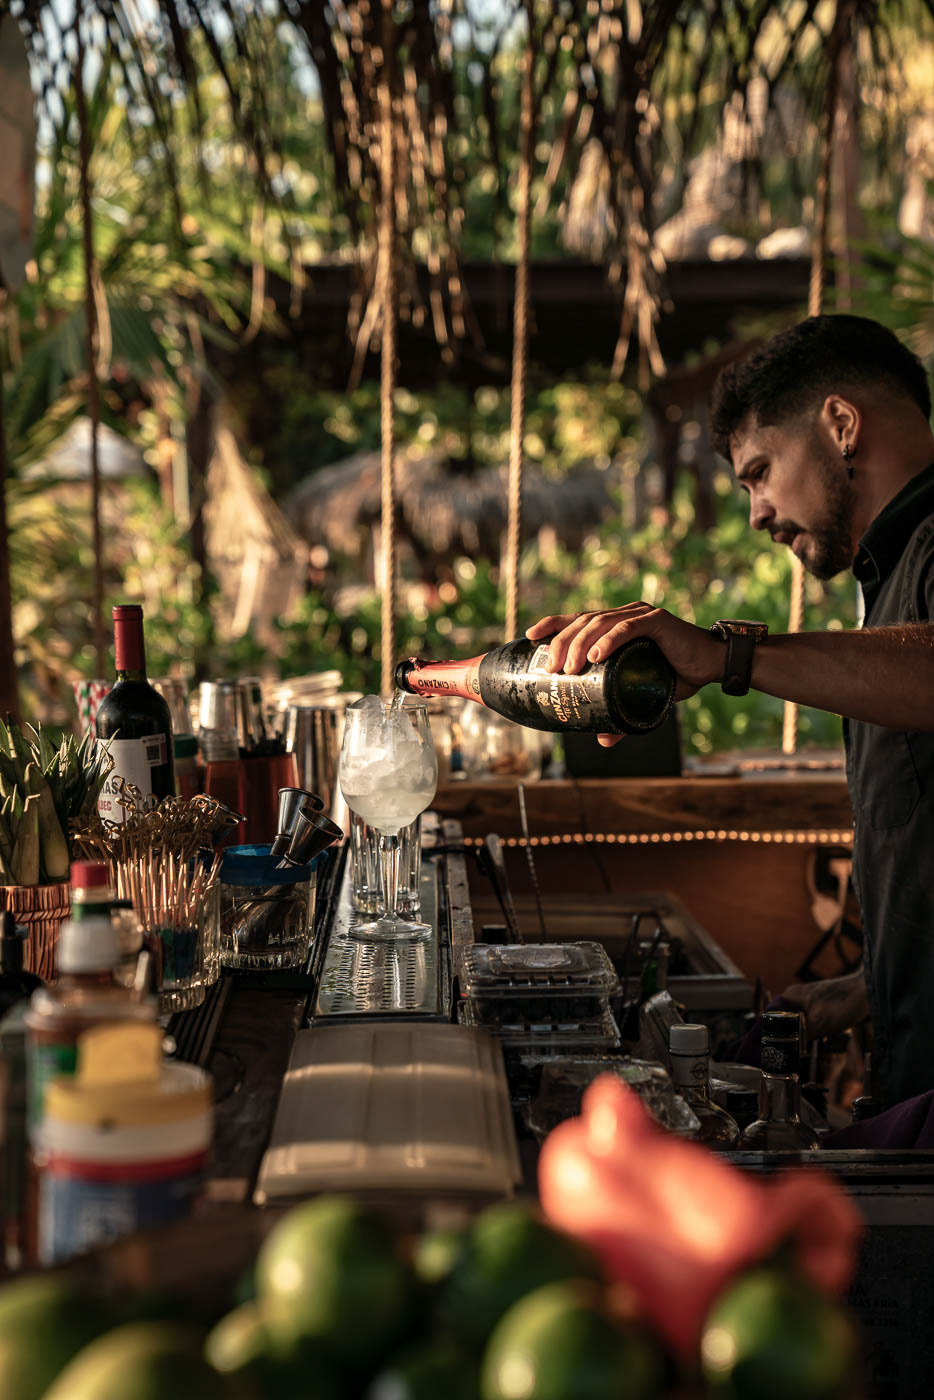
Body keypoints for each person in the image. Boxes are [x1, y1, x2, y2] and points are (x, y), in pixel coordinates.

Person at [527, 314, 934, 1108]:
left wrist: (727, 656)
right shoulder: (889, 577)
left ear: (841, 424)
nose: (757, 514)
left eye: (760, 471)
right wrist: (870, 984)